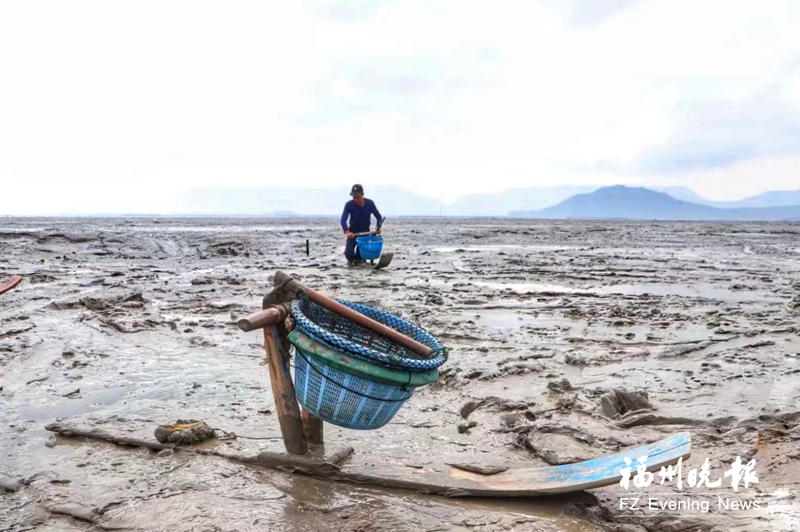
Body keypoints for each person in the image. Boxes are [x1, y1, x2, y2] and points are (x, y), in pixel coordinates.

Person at [340, 184, 383, 265]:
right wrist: (347, 231)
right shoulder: (349, 205)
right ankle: (351, 270)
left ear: (362, 194)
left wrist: (378, 226)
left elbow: (379, 217)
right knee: (348, 253)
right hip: (353, 233)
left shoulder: (370, 204)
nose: (355, 199)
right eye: (354, 197)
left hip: (365, 234)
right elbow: (343, 219)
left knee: (360, 256)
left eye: (357, 197)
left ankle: (361, 273)